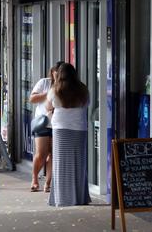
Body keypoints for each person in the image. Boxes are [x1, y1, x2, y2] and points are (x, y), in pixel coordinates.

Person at [46, 62, 91, 207]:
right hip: (80, 129)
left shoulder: (55, 90)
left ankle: (62, 198)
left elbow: (48, 106)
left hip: (60, 129)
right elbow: (87, 104)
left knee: (61, 164)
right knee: (79, 163)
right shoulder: (83, 89)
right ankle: (79, 197)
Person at [28, 61, 64, 193]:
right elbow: (31, 99)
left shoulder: (64, 86)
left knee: (53, 155)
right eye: (56, 72)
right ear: (52, 71)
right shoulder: (44, 82)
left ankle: (48, 184)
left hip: (58, 124)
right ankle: (34, 178)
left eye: (61, 72)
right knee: (41, 154)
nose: (58, 75)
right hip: (43, 122)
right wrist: (48, 93)